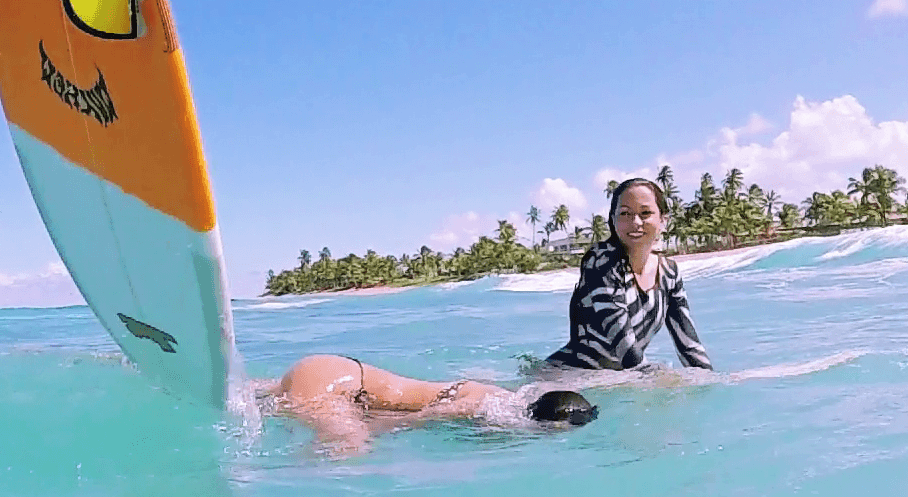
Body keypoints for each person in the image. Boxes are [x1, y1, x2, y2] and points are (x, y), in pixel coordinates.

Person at [262, 353, 597, 454]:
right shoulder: (482, 406)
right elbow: (415, 419)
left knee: (266, 399)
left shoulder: (505, 399)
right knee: (351, 449)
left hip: (338, 374)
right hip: (339, 382)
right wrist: (360, 431)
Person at [545, 177, 713, 372]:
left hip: (614, 381)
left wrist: (712, 385)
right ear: (613, 219)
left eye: (645, 213)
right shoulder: (601, 264)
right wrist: (660, 378)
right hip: (565, 379)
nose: (635, 222)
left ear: (663, 220)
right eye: (625, 213)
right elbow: (625, 349)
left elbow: (690, 347)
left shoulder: (669, 273)